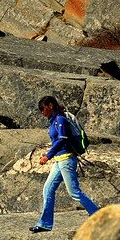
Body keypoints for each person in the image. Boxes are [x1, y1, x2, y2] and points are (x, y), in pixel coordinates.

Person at [30, 95, 99, 233]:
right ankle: (45, 224)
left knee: (74, 192)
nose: (42, 112)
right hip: (59, 160)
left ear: (50, 106)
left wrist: (47, 156)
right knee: (48, 189)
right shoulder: (54, 120)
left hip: (66, 160)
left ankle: (99, 215)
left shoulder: (60, 119)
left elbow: (62, 139)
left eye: (43, 109)